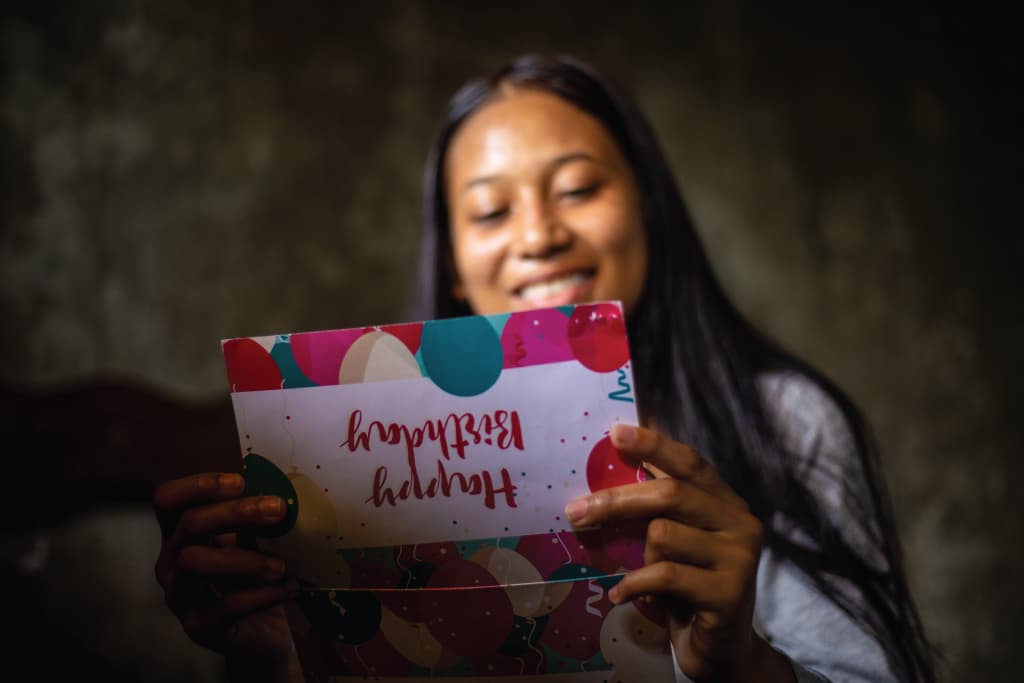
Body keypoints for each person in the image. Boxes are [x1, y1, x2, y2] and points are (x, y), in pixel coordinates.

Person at [153, 54, 936, 682]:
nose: (537, 235)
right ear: (456, 263)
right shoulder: (370, 461)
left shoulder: (782, 420)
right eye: (491, 211)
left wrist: (744, 665)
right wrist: (277, 656)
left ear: (647, 206)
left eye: (577, 189)